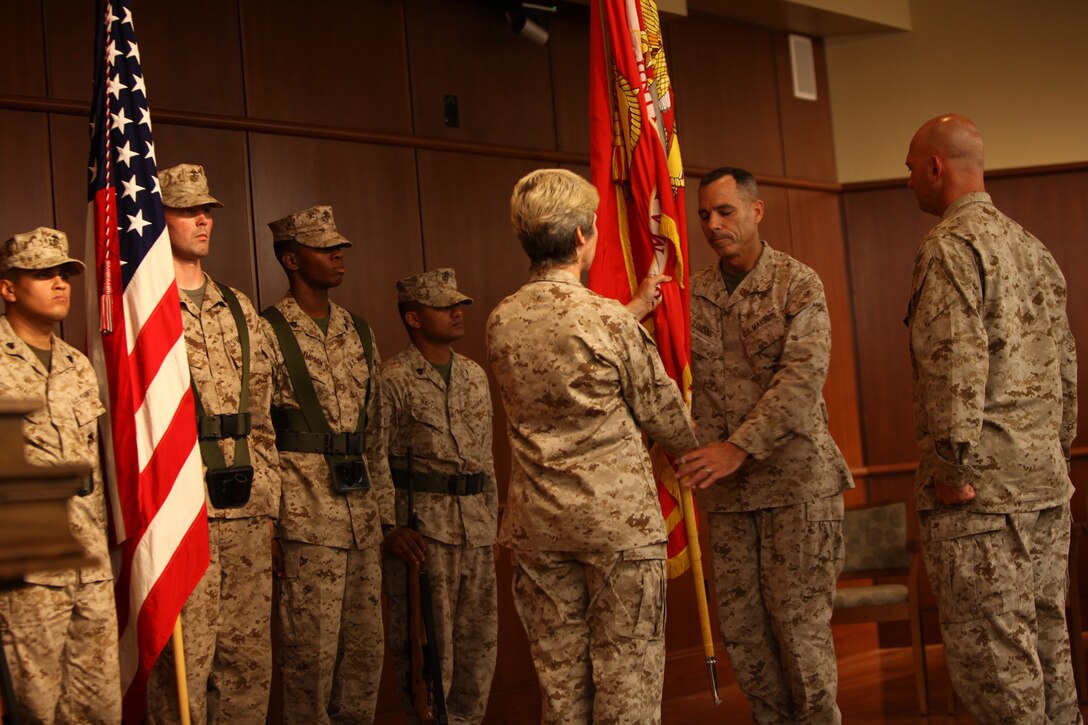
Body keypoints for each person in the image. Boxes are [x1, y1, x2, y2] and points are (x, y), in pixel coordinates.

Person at [486, 168, 698, 724]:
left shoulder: (501, 320)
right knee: (627, 683)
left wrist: (631, 312)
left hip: (538, 528)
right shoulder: (605, 320)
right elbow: (667, 418)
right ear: (582, 236)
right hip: (616, 528)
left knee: (561, 690)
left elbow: (559, 354)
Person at [904, 114, 1080, 723]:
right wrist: (1053, 452)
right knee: (1050, 650)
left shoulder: (952, 246)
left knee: (997, 669)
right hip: (1044, 486)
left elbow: (955, 366)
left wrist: (952, 470)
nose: (908, 183)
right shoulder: (1030, 245)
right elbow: (1066, 368)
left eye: (909, 169)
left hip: (980, 498)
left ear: (935, 167)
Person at [677, 166, 853, 724]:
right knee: (746, 643)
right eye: (704, 214)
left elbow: (801, 380)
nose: (712, 224)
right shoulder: (692, 294)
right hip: (727, 500)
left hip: (796, 487)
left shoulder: (797, 284)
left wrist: (738, 447)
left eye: (725, 211)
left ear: (756, 211)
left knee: (800, 636)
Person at [144, 164, 279, 723]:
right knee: (183, 665)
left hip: (247, 506)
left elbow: (263, 415)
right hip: (184, 511)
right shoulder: (147, 313)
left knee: (247, 663)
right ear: (158, 218)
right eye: (187, 210)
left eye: (207, 210)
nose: (203, 220)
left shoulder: (239, 307)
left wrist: (271, 498)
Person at [263, 204, 394, 724]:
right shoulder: (269, 330)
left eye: (339, 246)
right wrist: (270, 520)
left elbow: (377, 434)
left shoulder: (359, 331)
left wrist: (385, 515)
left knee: (364, 653)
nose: (338, 255)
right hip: (306, 515)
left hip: (361, 516)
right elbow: (261, 432)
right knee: (309, 657)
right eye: (324, 248)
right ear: (292, 259)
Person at [0, 227, 122, 723]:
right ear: (8, 287)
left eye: (64, 273)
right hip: (26, 568)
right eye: (41, 274)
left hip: (88, 563)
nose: (58, 283)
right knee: (36, 710)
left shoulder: (76, 365)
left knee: (99, 707)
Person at [381, 268, 497, 724]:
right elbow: (376, 460)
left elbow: (485, 458)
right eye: (443, 306)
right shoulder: (393, 378)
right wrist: (390, 528)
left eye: (459, 305)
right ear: (413, 317)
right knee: (429, 656)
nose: (456, 312)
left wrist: (490, 520)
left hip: (475, 531)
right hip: (424, 535)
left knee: (478, 651)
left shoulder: (473, 375)